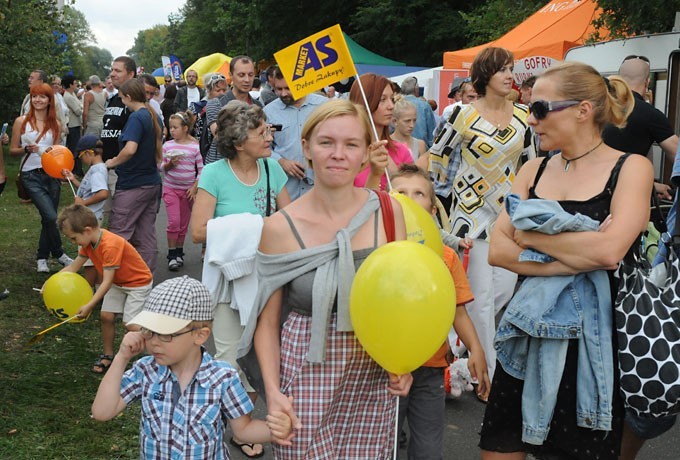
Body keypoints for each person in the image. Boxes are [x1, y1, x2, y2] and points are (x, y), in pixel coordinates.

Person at [479, 62, 653, 460]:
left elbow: (609, 252)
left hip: (592, 343)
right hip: (527, 330)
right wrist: (577, 255)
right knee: (500, 450)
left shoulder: (632, 167)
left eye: (539, 109)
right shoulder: (533, 168)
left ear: (582, 110)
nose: (531, 119)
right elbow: (497, 251)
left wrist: (531, 236)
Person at [237, 99, 412, 458]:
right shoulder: (278, 228)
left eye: (351, 144)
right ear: (306, 148)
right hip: (306, 373)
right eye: (326, 142)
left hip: (372, 376)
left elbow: (403, 301)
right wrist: (273, 393)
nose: (338, 154)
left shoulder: (389, 212)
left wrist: (404, 363)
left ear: (366, 153)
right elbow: (267, 324)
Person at [421, 47, 536, 388]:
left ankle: (459, 338)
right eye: (502, 69)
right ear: (485, 75)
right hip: (470, 216)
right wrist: (440, 193)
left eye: (511, 69)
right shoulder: (463, 115)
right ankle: (488, 375)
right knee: (482, 299)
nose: (509, 75)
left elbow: (530, 163)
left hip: (508, 216)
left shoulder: (523, 115)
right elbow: (438, 155)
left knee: (503, 290)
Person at [91, 275, 293, 459]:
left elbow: (244, 430)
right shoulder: (145, 370)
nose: (153, 342)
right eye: (148, 331)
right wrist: (121, 358)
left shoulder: (222, 378)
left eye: (165, 334)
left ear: (200, 335)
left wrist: (275, 429)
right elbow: (102, 412)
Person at [190, 100, 290, 458]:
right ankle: (240, 426)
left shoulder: (272, 169)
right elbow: (198, 232)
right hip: (229, 284)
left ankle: (240, 422)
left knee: (267, 354)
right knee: (231, 356)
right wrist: (252, 226)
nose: (269, 134)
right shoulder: (214, 174)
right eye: (260, 130)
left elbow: (289, 221)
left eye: (267, 128)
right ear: (237, 140)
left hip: (269, 278)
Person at [391, 163, 489, 460]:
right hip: (384, 370)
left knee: (429, 447)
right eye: (400, 192)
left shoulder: (445, 256)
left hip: (431, 368)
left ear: (433, 210)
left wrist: (476, 348)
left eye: (418, 193)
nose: (408, 198)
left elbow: (458, 311)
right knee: (384, 442)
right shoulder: (376, 250)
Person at [56, 204, 153, 374]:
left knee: (130, 324)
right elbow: (73, 267)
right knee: (106, 316)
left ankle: (161, 345)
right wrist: (51, 282)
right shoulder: (88, 243)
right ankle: (108, 355)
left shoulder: (110, 245)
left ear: (86, 230)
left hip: (137, 283)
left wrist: (90, 304)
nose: (73, 242)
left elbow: (106, 282)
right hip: (118, 282)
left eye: (73, 238)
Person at [9, 82, 73, 273]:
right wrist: (26, 149)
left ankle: (42, 257)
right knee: (51, 216)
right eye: (34, 96)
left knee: (48, 219)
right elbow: (12, 150)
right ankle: (59, 252)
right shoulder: (21, 122)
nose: (38, 100)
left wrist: (61, 169)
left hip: (51, 175)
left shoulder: (56, 125)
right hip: (31, 176)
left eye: (42, 97)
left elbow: (56, 153)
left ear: (49, 100)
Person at [104, 78, 162, 272]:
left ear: (128, 97)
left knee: (119, 232)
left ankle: (114, 281)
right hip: (151, 182)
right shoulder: (150, 115)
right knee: (146, 234)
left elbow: (130, 149)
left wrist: (112, 162)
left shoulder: (136, 117)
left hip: (132, 184)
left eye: (122, 98)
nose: (122, 102)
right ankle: (145, 279)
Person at [603, 54, 679, 201]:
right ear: (647, 82)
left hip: (586, 193)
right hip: (624, 197)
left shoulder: (598, 106)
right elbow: (677, 153)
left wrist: (652, 186)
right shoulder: (650, 114)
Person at [264, 67, 328, 200]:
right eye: (278, 89)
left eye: (288, 88)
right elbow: (261, 147)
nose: (283, 94)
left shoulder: (324, 107)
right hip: (285, 191)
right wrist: (280, 161)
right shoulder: (268, 112)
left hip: (320, 188)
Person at [348, 73, 413, 191]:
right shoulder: (346, 154)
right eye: (382, 100)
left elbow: (411, 197)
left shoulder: (400, 151)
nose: (391, 106)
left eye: (392, 99)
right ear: (365, 102)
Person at [62, 135, 109, 286]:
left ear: (89, 153)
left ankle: (88, 290)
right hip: (91, 218)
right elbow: (89, 189)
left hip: (90, 219)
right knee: (91, 257)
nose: (81, 160)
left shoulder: (97, 171)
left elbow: (102, 193)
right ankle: (96, 289)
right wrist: (73, 179)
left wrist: (83, 203)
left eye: (81, 156)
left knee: (89, 260)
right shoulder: (95, 169)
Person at [161, 112, 202, 271]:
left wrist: (194, 187)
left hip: (188, 191)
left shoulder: (195, 147)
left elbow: (201, 169)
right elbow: (161, 167)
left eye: (175, 127)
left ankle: (179, 252)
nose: (172, 130)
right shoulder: (167, 146)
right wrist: (169, 165)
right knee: (174, 222)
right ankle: (171, 255)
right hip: (171, 188)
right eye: (170, 127)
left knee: (183, 224)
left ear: (185, 128)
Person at [204, 56, 262, 164]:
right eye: (241, 75)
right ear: (230, 75)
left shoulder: (258, 105)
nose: (247, 80)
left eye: (250, 75)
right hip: (222, 166)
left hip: (250, 167)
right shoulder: (216, 103)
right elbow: (221, 136)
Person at [101, 56, 136, 225]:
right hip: (105, 167)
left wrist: (118, 162)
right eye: (112, 70)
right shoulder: (114, 99)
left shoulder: (134, 103)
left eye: (117, 70)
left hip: (122, 171)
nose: (112, 74)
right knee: (105, 219)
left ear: (130, 74)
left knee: (123, 221)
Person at [400, 76, 436, 148]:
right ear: (416, 90)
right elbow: (432, 132)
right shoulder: (424, 106)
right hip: (422, 150)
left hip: (400, 149)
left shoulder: (397, 105)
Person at [391, 95, 427, 161]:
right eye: (407, 121)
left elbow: (423, 170)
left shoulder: (420, 145)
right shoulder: (387, 143)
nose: (412, 125)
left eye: (414, 120)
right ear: (395, 121)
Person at [62, 75, 84, 177]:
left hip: (76, 124)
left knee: (77, 147)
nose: (76, 85)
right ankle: (75, 170)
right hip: (72, 125)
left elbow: (79, 106)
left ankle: (78, 169)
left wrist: (80, 107)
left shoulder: (72, 95)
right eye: (75, 83)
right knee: (74, 148)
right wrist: (81, 107)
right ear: (70, 85)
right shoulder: (68, 96)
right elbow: (78, 111)